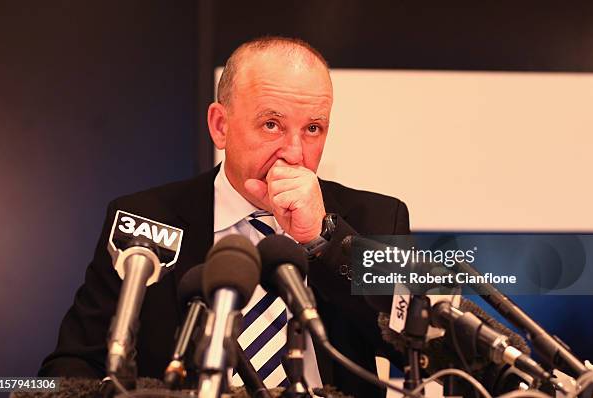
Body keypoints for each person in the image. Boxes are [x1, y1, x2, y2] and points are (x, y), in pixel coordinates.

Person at [39, 36, 410, 397]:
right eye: (272, 124)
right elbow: (72, 367)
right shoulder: (143, 219)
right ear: (220, 125)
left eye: (313, 128)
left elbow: (419, 348)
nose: (294, 154)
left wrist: (322, 237)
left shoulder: (375, 217)